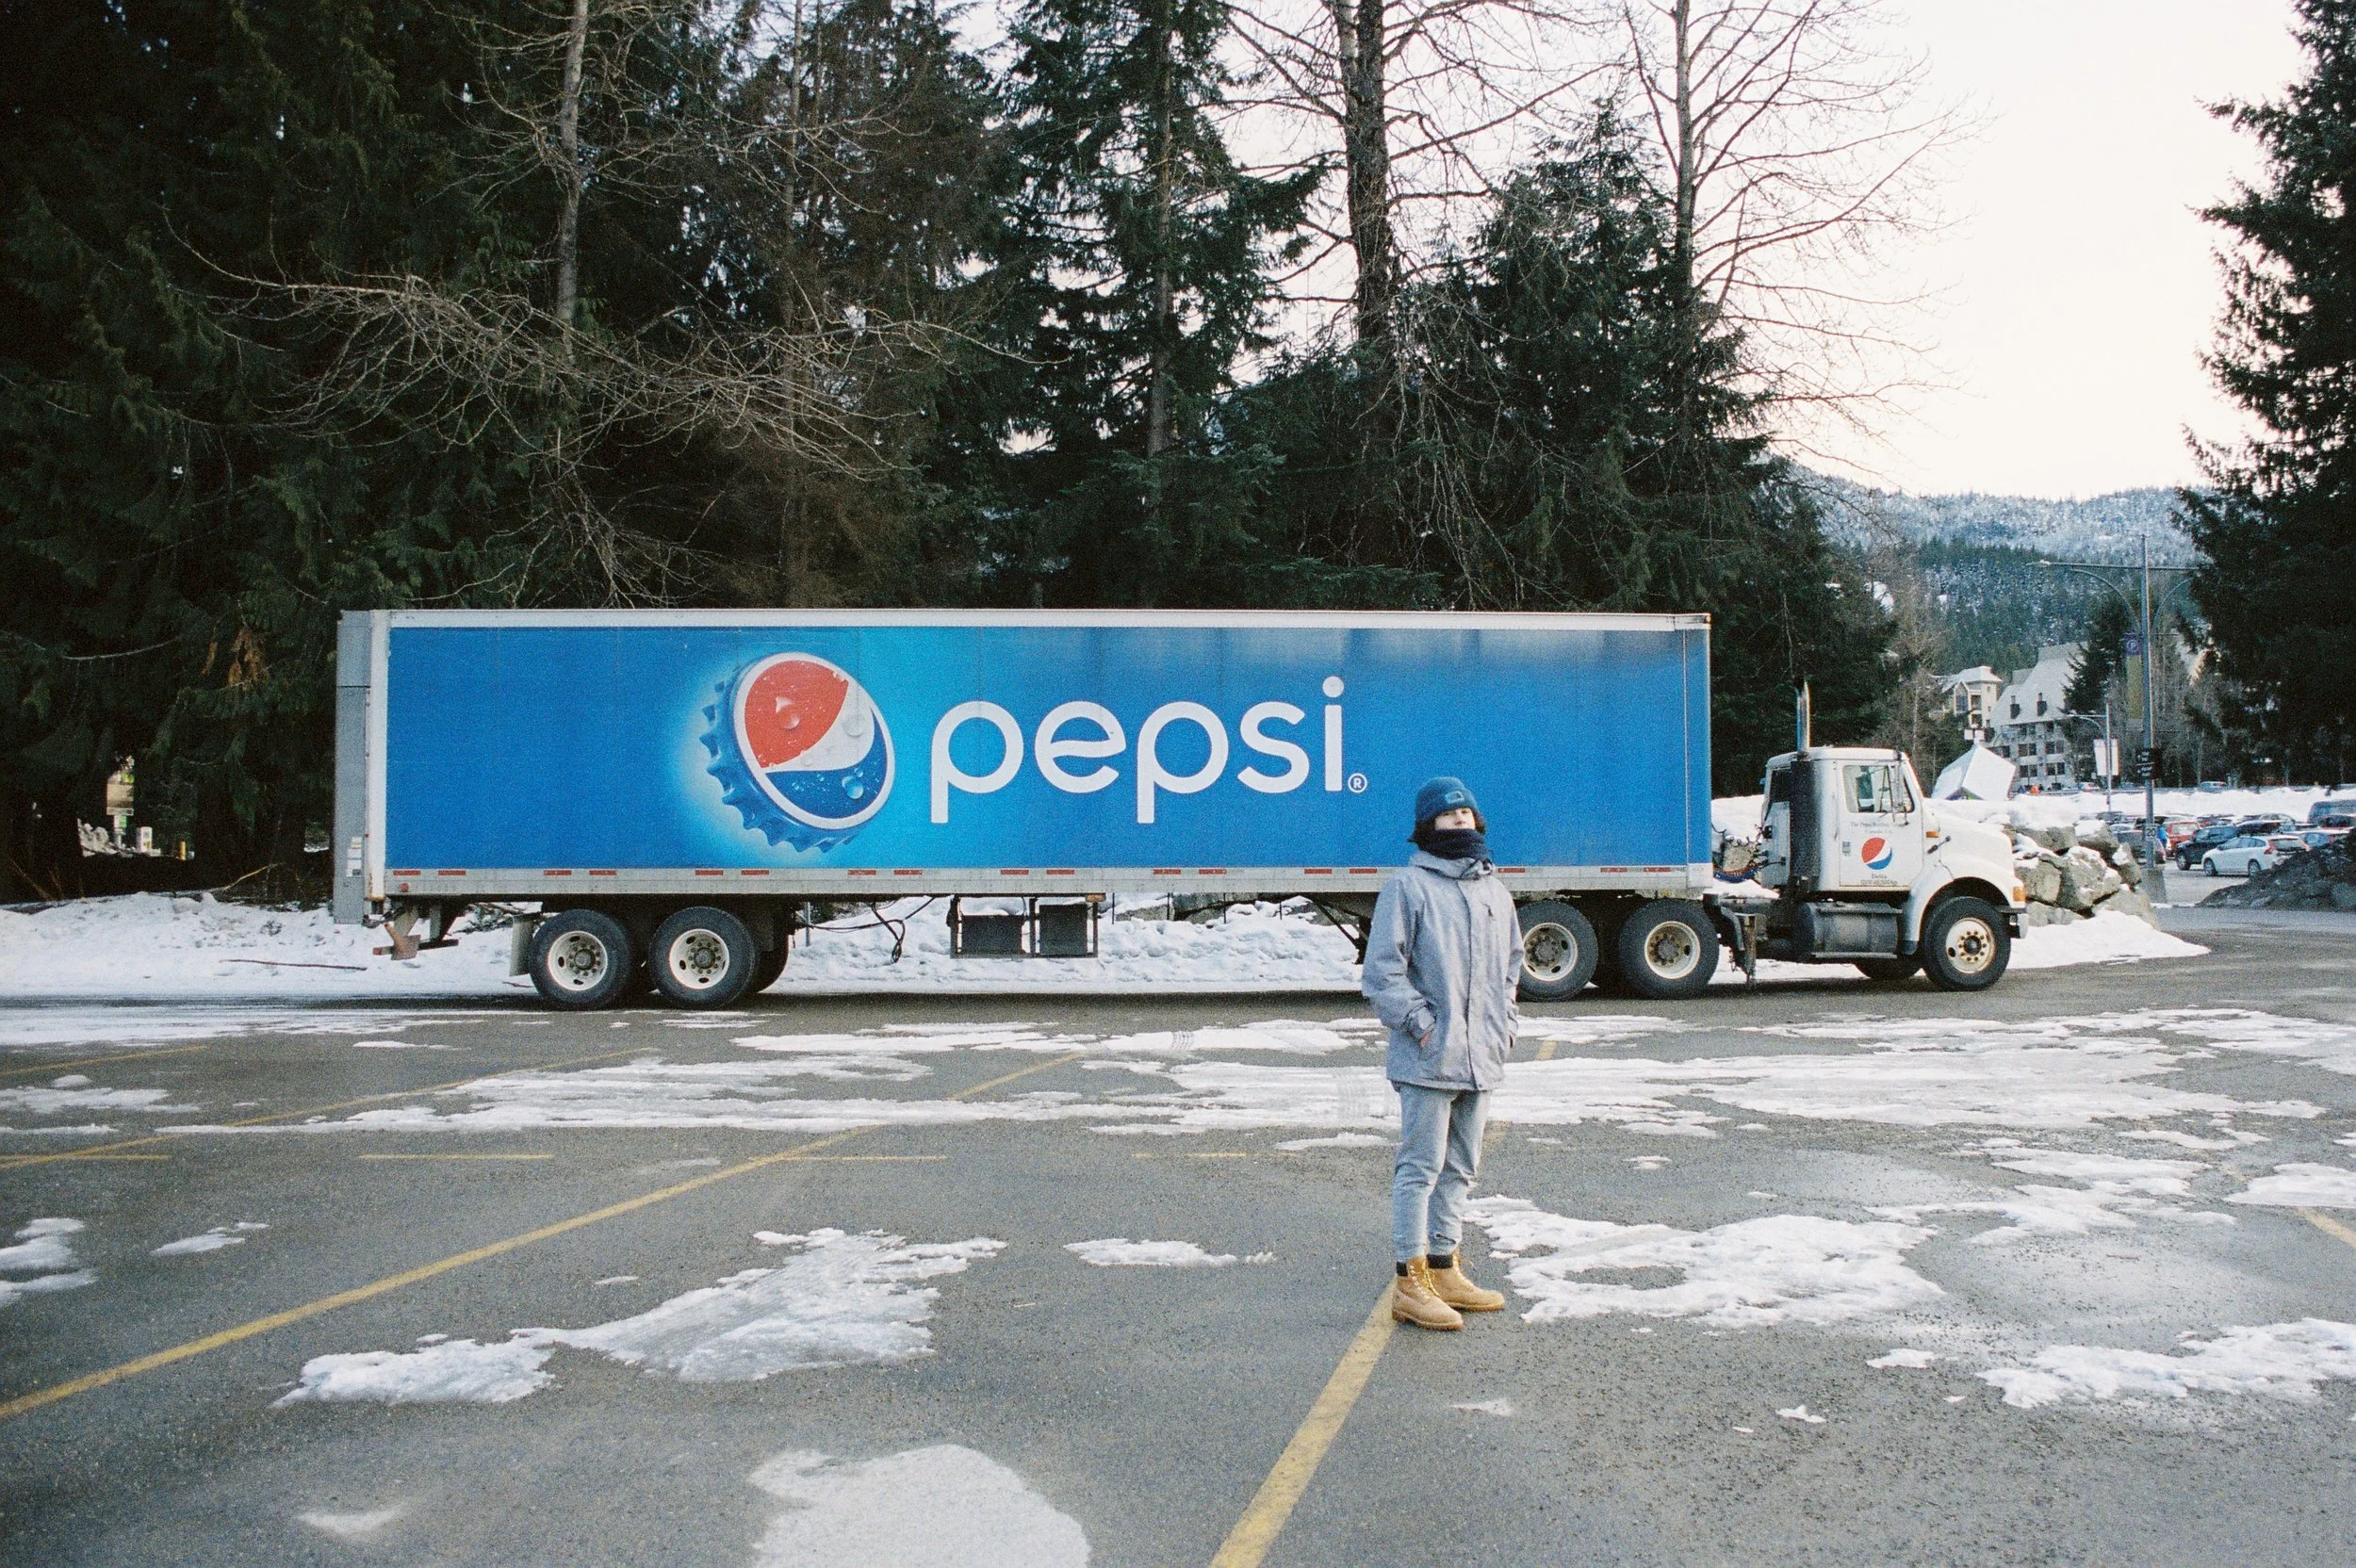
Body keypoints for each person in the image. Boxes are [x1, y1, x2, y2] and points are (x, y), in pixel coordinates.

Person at [1360, 775, 1521, 1331]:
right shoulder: (1407, 887)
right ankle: (1410, 1280)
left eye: (1466, 815)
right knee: (1420, 1167)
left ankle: (1445, 1265)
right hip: (1430, 1056)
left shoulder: (1495, 892)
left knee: (1461, 1168)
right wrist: (1423, 1026)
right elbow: (1382, 973)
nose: (1459, 823)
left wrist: (1505, 1027)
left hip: (1482, 1057)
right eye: (1447, 817)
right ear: (1427, 827)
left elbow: (1511, 969)